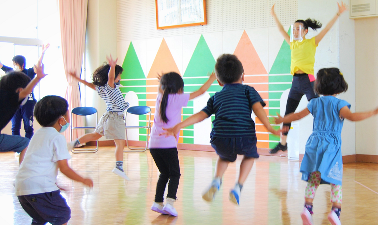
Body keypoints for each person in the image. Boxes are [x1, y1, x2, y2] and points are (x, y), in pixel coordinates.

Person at [161, 54, 282, 206]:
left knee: (224, 157)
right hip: (244, 137)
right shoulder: (248, 91)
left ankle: (217, 180)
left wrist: (178, 126)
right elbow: (258, 109)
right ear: (243, 76)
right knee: (250, 156)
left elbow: (200, 116)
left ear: (219, 81)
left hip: (221, 139)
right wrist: (270, 127)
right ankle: (238, 187)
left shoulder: (216, 97)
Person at [273, 68, 378, 225]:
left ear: (318, 86)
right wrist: (372, 112)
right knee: (336, 179)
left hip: (314, 143)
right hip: (331, 145)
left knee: (314, 177)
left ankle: (307, 208)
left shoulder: (314, 103)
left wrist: (283, 118)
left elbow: (297, 115)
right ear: (339, 85)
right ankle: (335, 211)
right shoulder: (340, 104)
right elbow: (352, 117)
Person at [269, 2, 347, 154]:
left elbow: (327, 29)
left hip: (308, 81)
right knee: (288, 113)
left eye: (299, 29)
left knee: (317, 110)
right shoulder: (292, 44)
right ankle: (283, 143)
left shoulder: (312, 42)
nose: (296, 31)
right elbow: (280, 29)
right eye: (294, 29)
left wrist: (338, 13)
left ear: (305, 31)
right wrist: (274, 15)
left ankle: (323, 141)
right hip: (295, 83)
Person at [15, 95, 93, 225]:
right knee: (62, 214)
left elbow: (35, 163)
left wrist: (53, 184)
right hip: (38, 188)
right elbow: (64, 168)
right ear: (61, 120)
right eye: (67, 114)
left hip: (22, 188)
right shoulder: (57, 138)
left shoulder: (37, 135)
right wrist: (83, 180)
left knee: (40, 217)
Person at [149, 71, 216, 217]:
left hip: (153, 144)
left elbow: (161, 88)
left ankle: (157, 202)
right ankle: (169, 203)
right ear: (180, 89)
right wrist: (212, 78)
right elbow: (201, 91)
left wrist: (163, 82)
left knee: (164, 173)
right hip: (167, 145)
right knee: (175, 174)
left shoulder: (160, 97)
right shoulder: (178, 98)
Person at [0, 63, 46, 199]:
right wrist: (38, 78)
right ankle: (21, 178)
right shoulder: (13, 97)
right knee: (26, 143)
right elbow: (26, 92)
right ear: (19, 89)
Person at [67, 55, 130, 180]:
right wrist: (112, 67)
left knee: (95, 135)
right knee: (120, 143)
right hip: (115, 118)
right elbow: (111, 77)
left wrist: (76, 78)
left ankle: (74, 143)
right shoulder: (109, 87)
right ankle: (119, 167)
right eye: (119, 75)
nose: (120, 77)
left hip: (107, 117)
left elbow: (88, 84)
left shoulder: (101, 88)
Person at [0, 40, 50, 139]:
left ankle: (28, 147)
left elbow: (37, 64)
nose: (14, 66)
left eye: (15, 64)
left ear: (22, 64)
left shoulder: (28, 72)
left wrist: (42, 53)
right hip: (14, 103)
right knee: (15, 126)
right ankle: (17, 149)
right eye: (13, 64)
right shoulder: (11, 72)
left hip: (28, 103)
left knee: (28, 126)